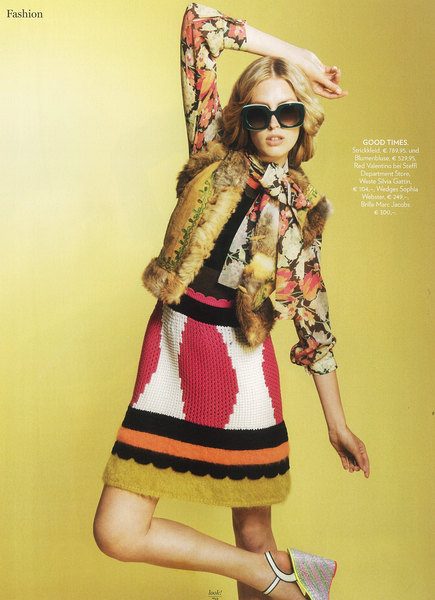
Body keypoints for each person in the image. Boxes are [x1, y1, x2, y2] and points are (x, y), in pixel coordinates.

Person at [93, 4, 370, 599]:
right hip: (170, 357)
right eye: (259, 112)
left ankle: (269, 574)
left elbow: (313, 321)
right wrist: (297, 58)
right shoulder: (212, 156)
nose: (274, 125)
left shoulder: (303, 212)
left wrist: (338, 424)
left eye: (288, 112)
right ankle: (275, 576)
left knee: (253, 534)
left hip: (242, 372)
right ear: (242, 118)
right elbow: (200, 25)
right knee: (117, 532)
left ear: (304, 121)